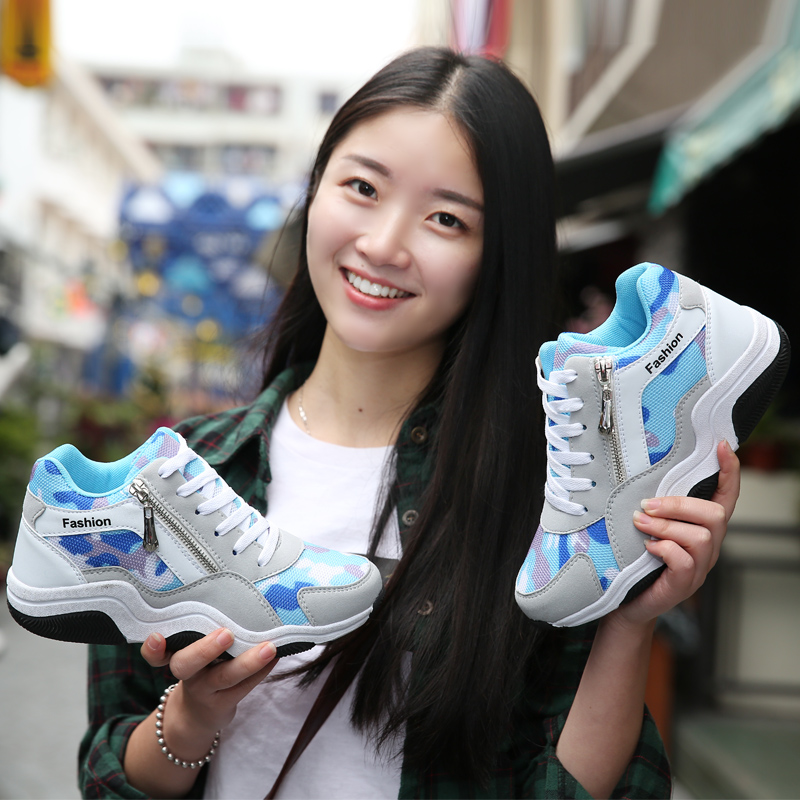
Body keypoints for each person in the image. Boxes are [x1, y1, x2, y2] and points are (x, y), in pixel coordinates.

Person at [79, 47, 739, 799]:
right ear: (316, 189)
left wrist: (628, 622)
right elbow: (106, 770)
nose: (385, 245)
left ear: (497, 254)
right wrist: (189, 718)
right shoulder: (185, 474)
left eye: (446, 219)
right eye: (363, 187)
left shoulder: (562, 499)